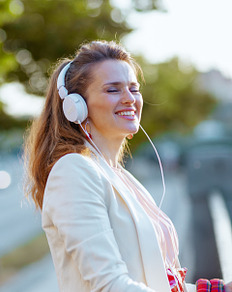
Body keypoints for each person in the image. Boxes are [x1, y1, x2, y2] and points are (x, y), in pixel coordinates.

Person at [23, 40, 232, 292]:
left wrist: (220, 289)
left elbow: (161, 280)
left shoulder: (120, 176)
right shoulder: (73, 171)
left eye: (134, 89)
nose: (129, 99)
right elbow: (110, 285)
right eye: (113, 90)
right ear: (76, 106)